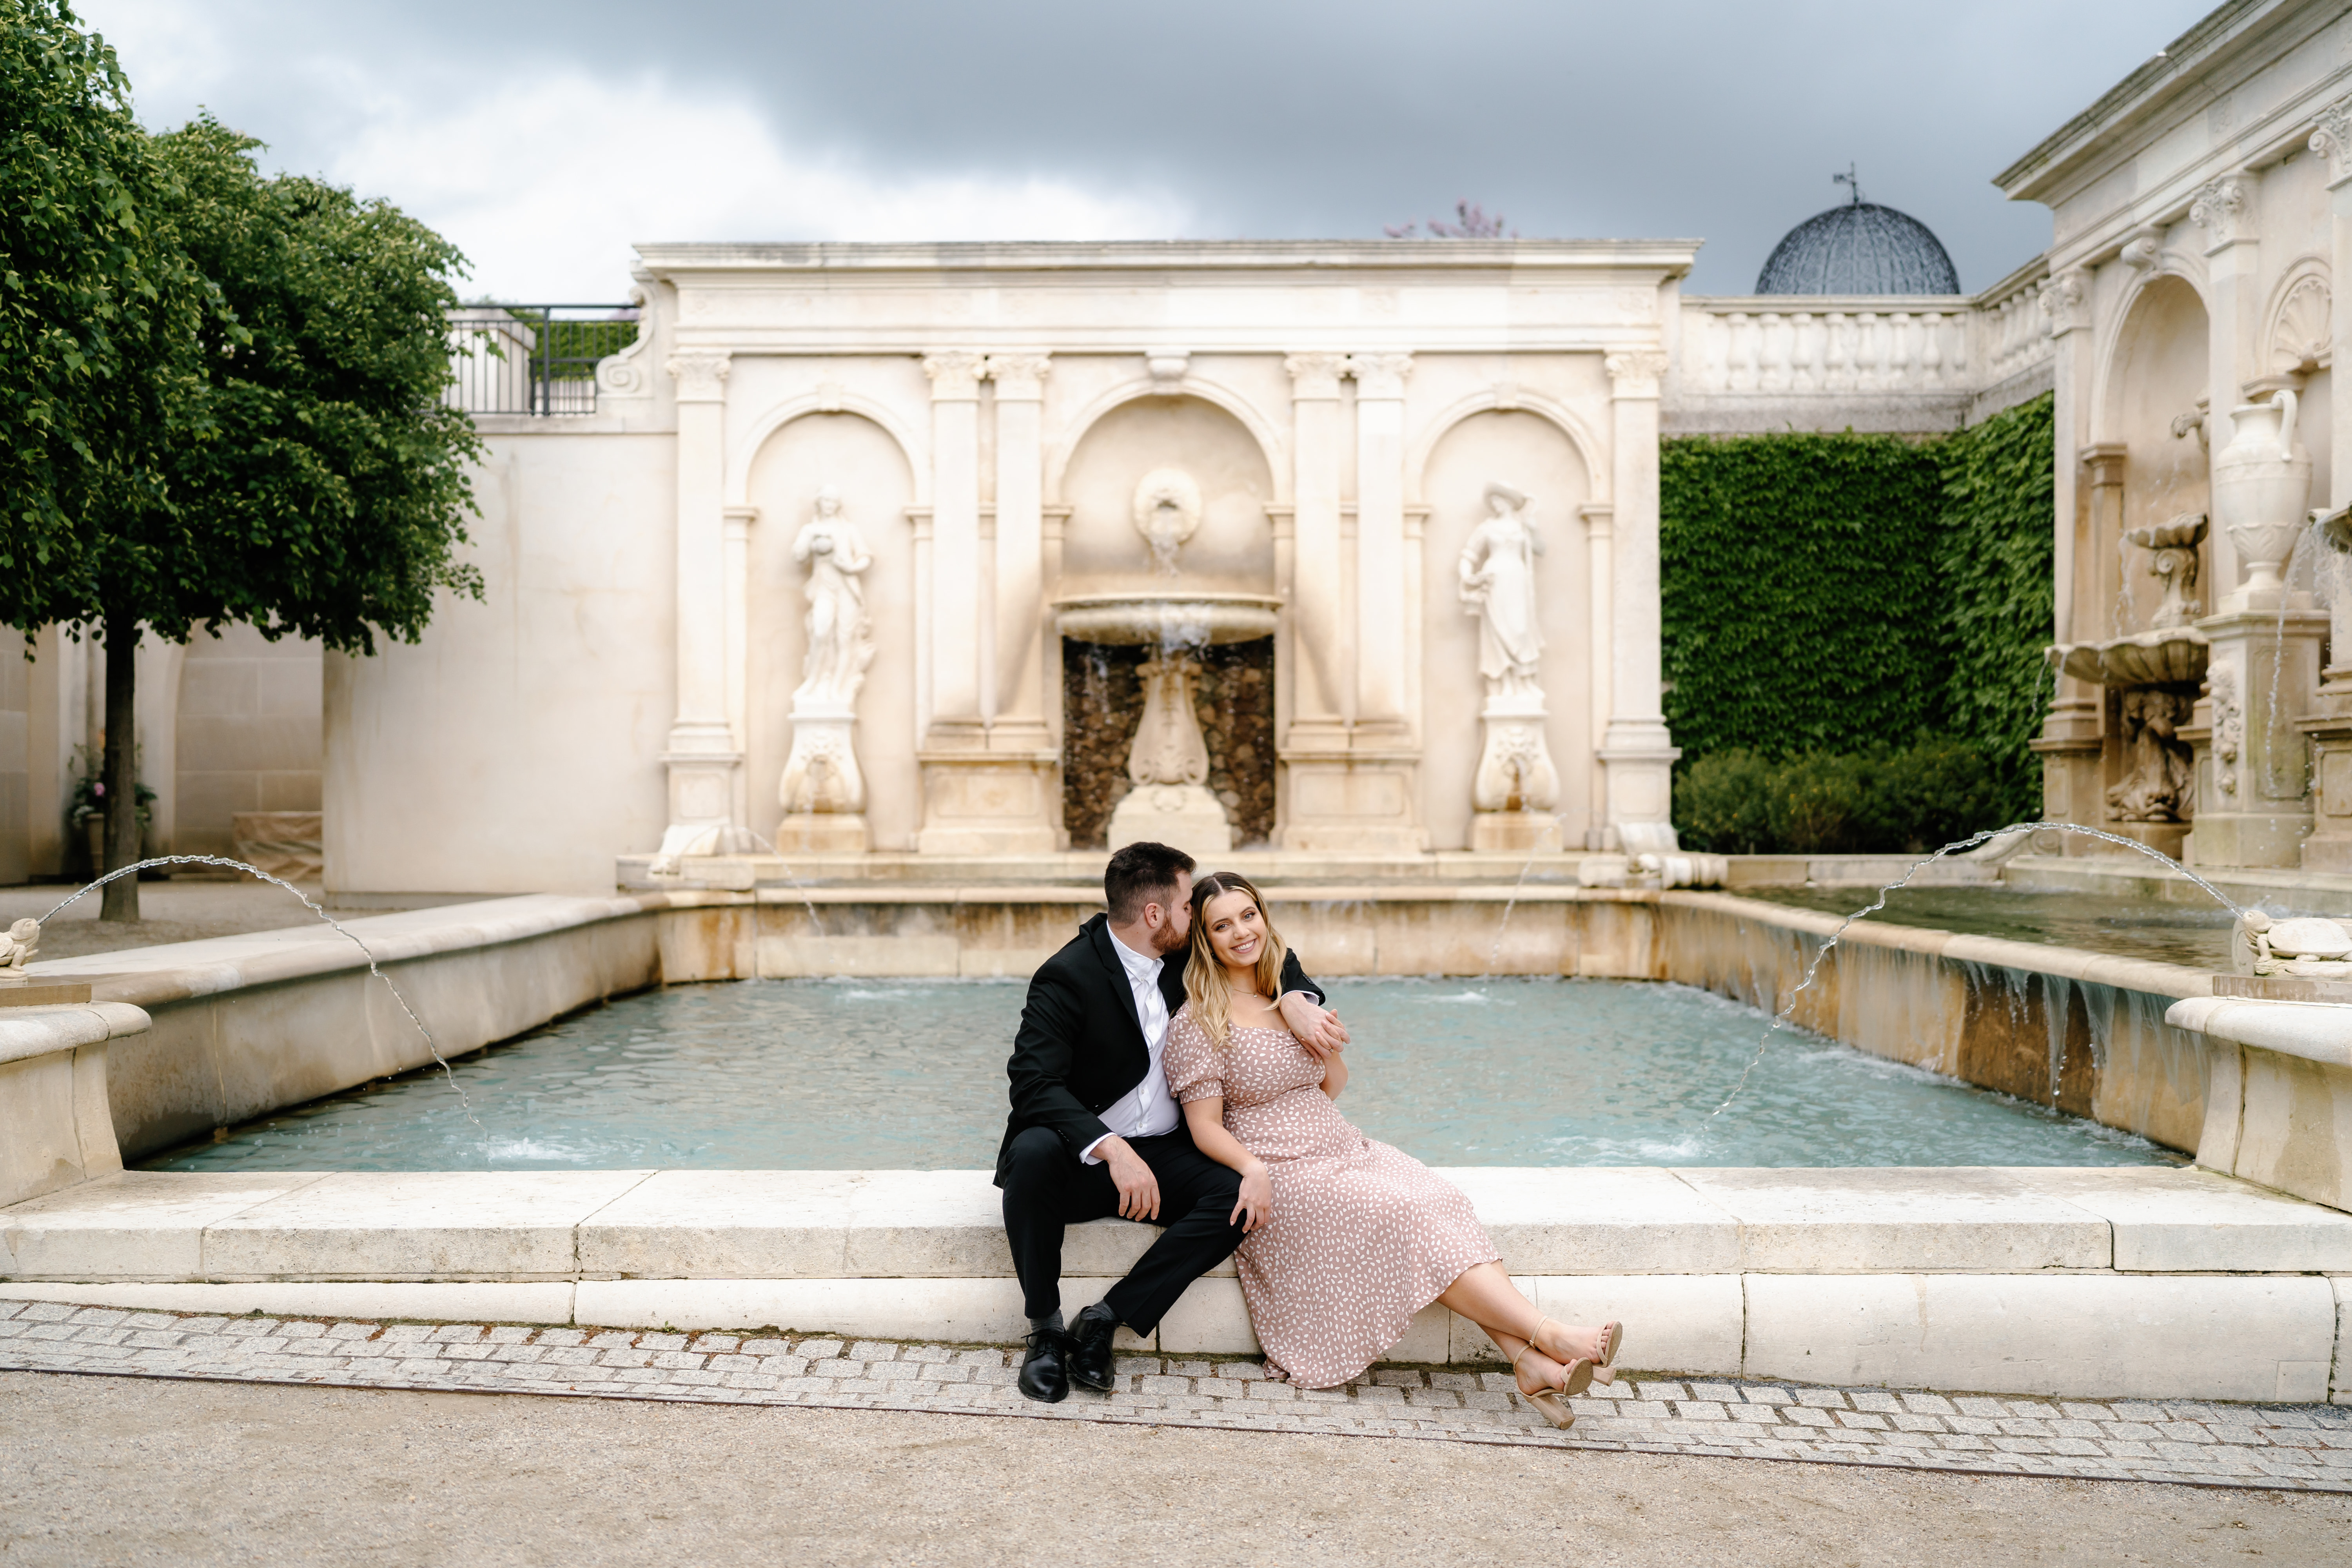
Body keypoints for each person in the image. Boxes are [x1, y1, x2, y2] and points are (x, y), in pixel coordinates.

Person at [1163, 870, 1624, 1428]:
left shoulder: (1286, 999)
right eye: (1222, 925)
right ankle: (1551, 1334)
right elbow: (1204, 1127)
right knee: (1400, 1211)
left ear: (1263, 916)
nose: (1241, 932)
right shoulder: (1198, 1020)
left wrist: (1321, 1038)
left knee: (1440, 1199)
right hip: (1281, 1171)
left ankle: (1529, 1363)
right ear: (1205, 940)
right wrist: (1250, 1167)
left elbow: (1331, 1084)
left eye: (1248, 915)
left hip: (1342, 1145)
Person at [996, 842, 1348, 1403]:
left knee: (1238, 1194)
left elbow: (1261, 948)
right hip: (1082, 1158)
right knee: (1033, 1155)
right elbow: (1034, 1084)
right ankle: (1045, 1331)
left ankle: (1107, 1319)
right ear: (1156, 915)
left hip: (1165, 1153)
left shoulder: (1182, 953)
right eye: (1190, 905)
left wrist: (1296, 998)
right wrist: (1111, 1148)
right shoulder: (1066, 976)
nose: (1197, 915)